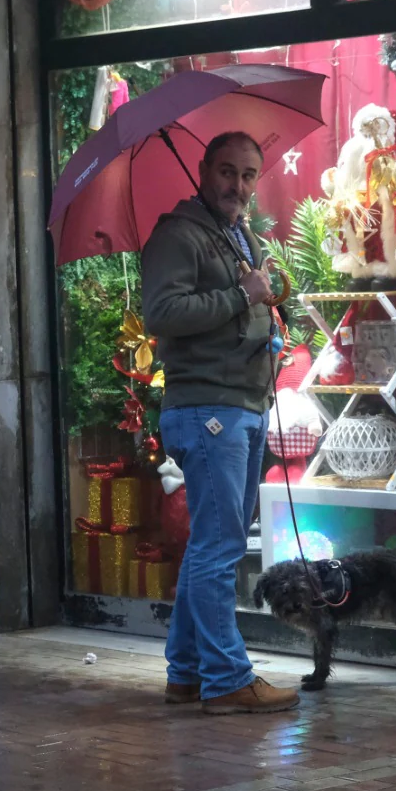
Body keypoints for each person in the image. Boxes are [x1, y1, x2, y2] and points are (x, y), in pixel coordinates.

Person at [142, 131, 300, 715]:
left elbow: (245, 304)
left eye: (249, 175)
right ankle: (228, 679)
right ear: (205, 171)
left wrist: (264, 307)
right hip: (208, 408)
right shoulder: (178, 235)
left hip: (243, 404)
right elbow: (162, 312)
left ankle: (186, 673)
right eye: (228, 172)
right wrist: (241, 293)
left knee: (210, 545)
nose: (238, 185)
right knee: (221, 544)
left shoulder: (237, 235)